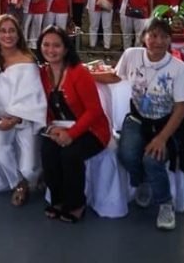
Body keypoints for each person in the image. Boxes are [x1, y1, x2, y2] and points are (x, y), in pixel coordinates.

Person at [97, 19, 184, 231]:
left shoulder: (180, 70)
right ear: (144, 37)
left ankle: (165, 203)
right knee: (127, 155)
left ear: (169, 40)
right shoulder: (131, 55)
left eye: (163, 36)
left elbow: (180, 109)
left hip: (167, 124)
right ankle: (142, 181)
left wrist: (161, 138)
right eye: (153, 35)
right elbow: (115, 76)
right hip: (137, 119)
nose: (157, 41)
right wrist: (87, 75)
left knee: (153, 159)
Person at [36, 25, 111, 223]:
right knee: (47, 151)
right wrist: (51, 129)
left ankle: (76, 203)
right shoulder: (42, 73)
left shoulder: (79, 72)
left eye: (56, 45)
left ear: (66, 48)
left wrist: (72, 134)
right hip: (59, 127)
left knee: (70, 154)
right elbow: (42, 107)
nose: (51, 50)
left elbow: (94, 111)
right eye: (46, 45)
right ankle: (58, 199)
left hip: (92, 130)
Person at [0, 13, 47, 206]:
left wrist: (14, 119)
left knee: (30, 168)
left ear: (18, 33)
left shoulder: (28, 59)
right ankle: (18, 183)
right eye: (3, 31)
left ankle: (34, 177)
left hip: (24, 118)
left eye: (12, 31)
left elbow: (34, 95)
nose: (8, 35)